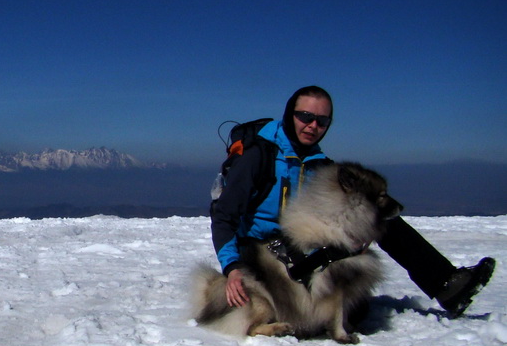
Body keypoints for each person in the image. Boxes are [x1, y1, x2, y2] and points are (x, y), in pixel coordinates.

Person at [210, 85, 495, 317]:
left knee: (379, 216)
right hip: (259, 251)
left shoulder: (321, 165)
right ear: (289, 114)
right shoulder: (259, 155)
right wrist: (233, 269)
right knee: (351, 311)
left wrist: (360, 232)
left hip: (298, 245)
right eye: (304, 117)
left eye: (321, 121)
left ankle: (447, 285)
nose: (312, 126)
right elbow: (223, 215)